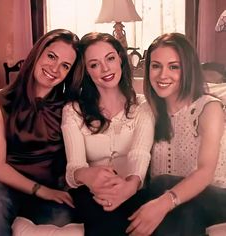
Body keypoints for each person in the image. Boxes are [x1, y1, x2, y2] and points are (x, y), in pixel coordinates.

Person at [126, 32, 226, 236]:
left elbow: (205, 172)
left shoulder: (209, 108)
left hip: (217, 197)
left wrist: (165, 202)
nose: (163, 75)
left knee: (163, 184)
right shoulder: (148, 110)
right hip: (175, 200)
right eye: (156, 66)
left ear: (187, 69)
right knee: (172, 205)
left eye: (174, 66)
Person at [61, 32, 155, 236]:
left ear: (120, 59)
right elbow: (73, 167)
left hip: (134, 189)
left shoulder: (143, 107)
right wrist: (88, 176)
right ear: (86, 71)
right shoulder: (73, 110)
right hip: (91, 193)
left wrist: (129, 186)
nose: (105, 69)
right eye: (94, 64)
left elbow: (140, 154)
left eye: (110, 58)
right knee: (105, 217)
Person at [0, 29, 80, 236]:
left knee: (62, 218)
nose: (55, 68)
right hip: (5, 186)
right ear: (38, 53)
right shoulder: (0, 103)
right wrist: (39, 190)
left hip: (52, 190)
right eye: (51, 56)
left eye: (65, 66)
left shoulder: (69, 108)